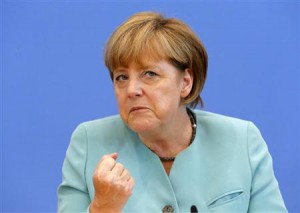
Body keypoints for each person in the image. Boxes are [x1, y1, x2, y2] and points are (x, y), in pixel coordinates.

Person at [57, 11, 287, 212]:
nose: (132, 90)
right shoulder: (89, 142)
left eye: (150, 74)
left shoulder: (242, 139)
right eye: (121, 77)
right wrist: (104, 208)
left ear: (185, 82)